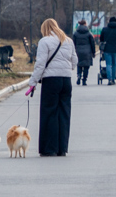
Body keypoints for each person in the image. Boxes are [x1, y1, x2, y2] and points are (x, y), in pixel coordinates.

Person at [26, 17, 77, 156]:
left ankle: (50, 148)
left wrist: (33, 82)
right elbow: (74, 61)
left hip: (51, 81)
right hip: (66, 80)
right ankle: (62, 148)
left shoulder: (45, 41)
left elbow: (40, 63)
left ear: (45, 29)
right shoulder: (68, 40)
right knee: (64, 113)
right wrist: (66, 69)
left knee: (49, 113)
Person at [99, 16, 116, 84]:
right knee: (114, 64)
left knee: (108, 64)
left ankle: (109, 79)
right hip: (115, 49)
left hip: (107, 49)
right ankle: (113, 79)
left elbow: (101, 39)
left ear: (109, 21)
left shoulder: (105, 29)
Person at [72, 19, 96, 86]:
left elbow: (73, 43)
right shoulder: (89, 33)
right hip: (87, 52)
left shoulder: (75, 34)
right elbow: (92, 44)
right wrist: (93, 53)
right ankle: (84, 80)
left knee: (79, 65)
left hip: (78, 51)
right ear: (85, 24)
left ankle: (79, 75)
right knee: (86, 66)